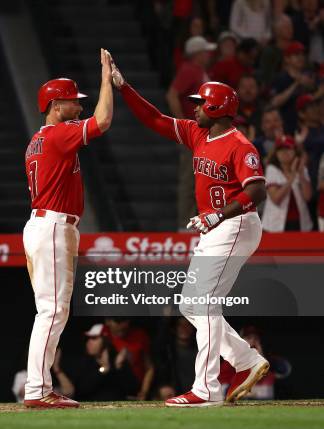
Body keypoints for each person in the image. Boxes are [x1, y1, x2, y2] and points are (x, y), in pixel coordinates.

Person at [112, 59, 270, 407]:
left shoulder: (240, 144)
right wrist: (125, 88)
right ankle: (247, 360)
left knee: (204, 303)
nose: (194, 107)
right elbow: (155, 119)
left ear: (217, 107)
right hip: (217, 226)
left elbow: (257, 191)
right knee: (192, 305)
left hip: (236, 224)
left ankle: (207, 388)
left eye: (200, 103)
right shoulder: (199, 133)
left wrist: (218, 215)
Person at [22, 49, 113, 409]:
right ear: (56, 105)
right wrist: (107, 78)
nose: (79, 106)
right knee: (52, 311)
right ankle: (37, 389)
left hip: (45, 225)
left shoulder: (38, 139)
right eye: (73, 102)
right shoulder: (58, 134)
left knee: (51, 310)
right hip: (53, 226)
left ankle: (38, 386)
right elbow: (103, 121)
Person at [167, 35, 217, 230]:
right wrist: (183, 125)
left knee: (201, 177)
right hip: (194, 134)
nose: (209, 54)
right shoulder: (189, 70)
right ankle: (183, 226)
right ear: (198, 53)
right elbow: (172, 95)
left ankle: (197, 221)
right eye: (205, 51)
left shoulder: (199, 70)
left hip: (204, 134)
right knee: (190, 179)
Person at [71, 324, 138, 401]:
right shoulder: (84, 361)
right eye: (88, 338)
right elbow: (80, 391)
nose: (89, 342)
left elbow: (132, 390)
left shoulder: (117, 360)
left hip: (115, 410)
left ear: (105, 341)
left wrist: (119, 368)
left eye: (94, 338)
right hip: (90, 410)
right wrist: (103, 370)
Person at [261, 135, 313, 232]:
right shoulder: (272, 169)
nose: (284, 152)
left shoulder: (302, 170)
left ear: (295, 151)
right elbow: (276, 199)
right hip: (275, 225)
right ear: (276, 153)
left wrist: (301, 174)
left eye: (288, 148)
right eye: (280, 150)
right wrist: (292, 176)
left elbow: (307, 197)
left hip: (300, 223)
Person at [103, 317, 154, 400]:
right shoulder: (103, 336)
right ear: (107, 321)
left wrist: (144, 392)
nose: (122, 325)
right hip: (112, 393)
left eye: (125, 320)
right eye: (118, 321)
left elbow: (149, 368)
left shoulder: (139, 335)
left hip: (138, 391)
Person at [153, 317, 198, 400]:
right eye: (180, 325)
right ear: (174, 328)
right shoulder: (167, 350)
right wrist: (164, 385)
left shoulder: (201, 349)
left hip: (196, 395)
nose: (184, 328)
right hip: (175, 395)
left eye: (188, 325)